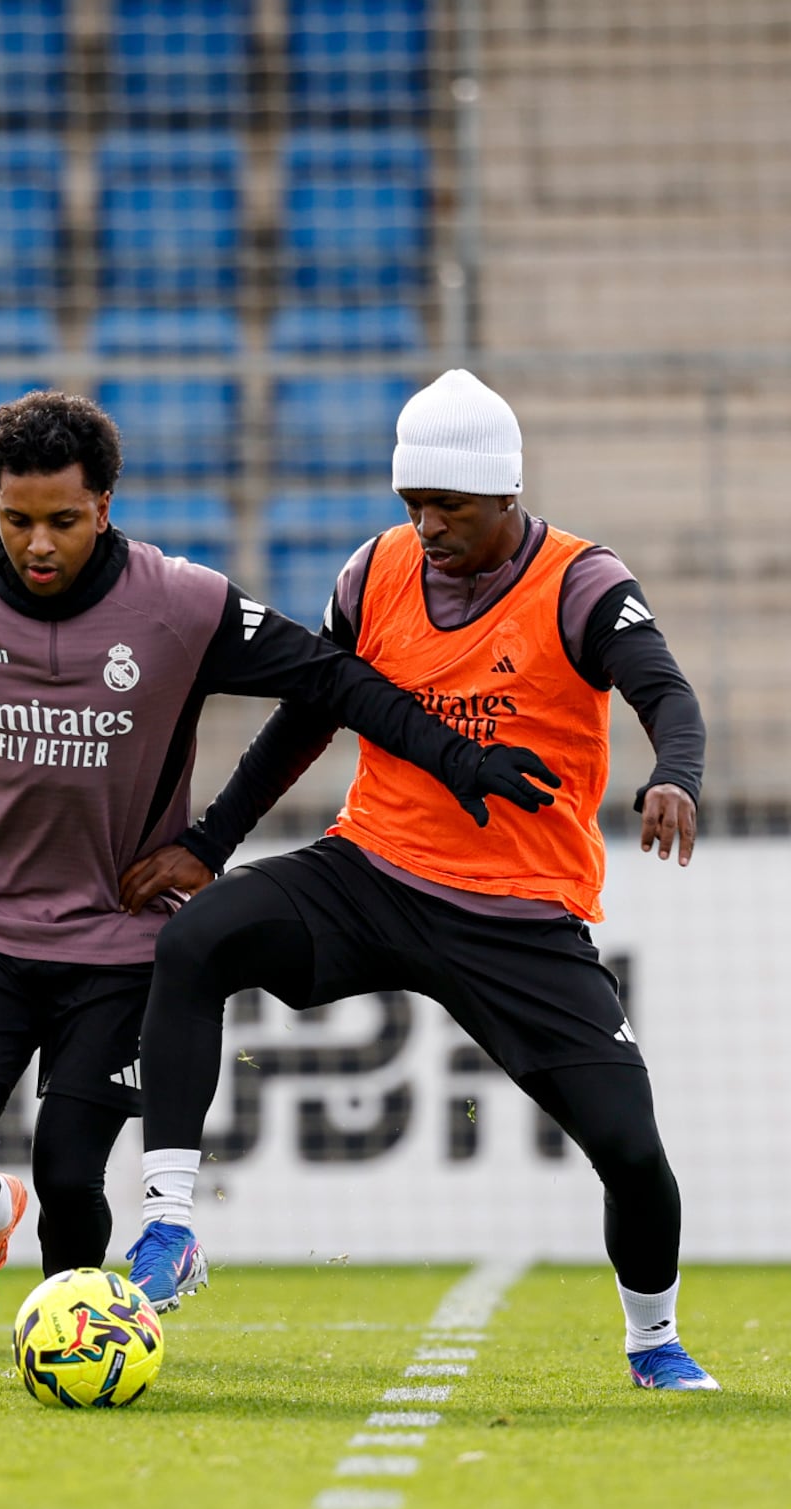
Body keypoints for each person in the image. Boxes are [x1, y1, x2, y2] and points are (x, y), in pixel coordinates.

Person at [0, 389, 560, 1351]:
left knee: (72, 1175)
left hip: (120, 944)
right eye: (16, 519)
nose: (38, 545)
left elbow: (330, 679)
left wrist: (456, 761)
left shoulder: (179, 604)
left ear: (106, 507)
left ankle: (76, 1341)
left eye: (63, 522)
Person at [122, 368, 721, 1393]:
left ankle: (653, 1339)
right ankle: (170, 1224)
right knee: (195, 941)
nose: (427, 525)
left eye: (449, 505)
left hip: (518, 913)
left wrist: (676, 775)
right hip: (372, 872)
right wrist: (213, 841)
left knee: (630, 1148)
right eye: (413, 503)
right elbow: (309, 713)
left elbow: (663, 689)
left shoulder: (582, 582)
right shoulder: (373, 572)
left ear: (506, 496)